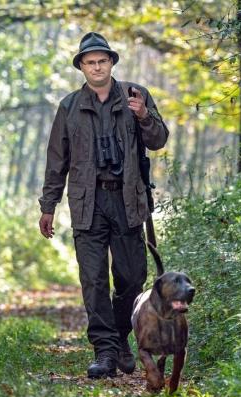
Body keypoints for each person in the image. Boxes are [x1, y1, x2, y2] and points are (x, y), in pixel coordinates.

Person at [38, 32, 169, 378]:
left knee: (131, 276)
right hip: (87, 202)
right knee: (93, 279)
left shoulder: (135, 96)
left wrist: (143, 117)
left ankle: (121, 338)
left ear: (111, 63)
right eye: (90, 62)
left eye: (102, 61)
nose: (96, 67)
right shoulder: (69, 106)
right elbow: (57, 160)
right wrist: (48, 205)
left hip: (126, 199)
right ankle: (106, 352)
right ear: (81, 67)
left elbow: (158, 140)